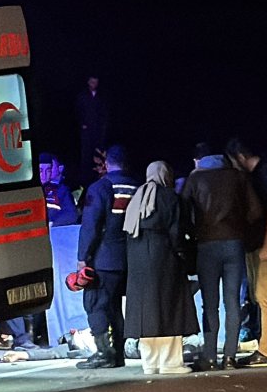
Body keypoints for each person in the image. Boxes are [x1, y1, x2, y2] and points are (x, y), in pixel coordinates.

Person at [182, 143, 262, 370]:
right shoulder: (237, 177)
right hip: (234, 244)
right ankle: (230, 357)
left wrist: (194, 231)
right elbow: (256, 211)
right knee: (233, 301)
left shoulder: (195, 179)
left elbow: (183, 210)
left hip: (206, 245)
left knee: (210, 305)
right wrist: (238, 226)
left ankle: (209, 357)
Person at [122, 161, 198, 374]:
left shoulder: (137, 198)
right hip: (163, 257)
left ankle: (150, 363)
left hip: (137, 260)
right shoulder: (169, 197)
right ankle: (170, 363)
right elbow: (176, 232)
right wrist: (183, 254)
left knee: (145, 311)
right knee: (170, 308)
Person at [75, 145, 138, 369]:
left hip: (104, 258)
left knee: (96, 305)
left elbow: (91, 225)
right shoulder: (137, 187)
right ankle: (118, 354)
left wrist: (83, 256)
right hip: (129, 258)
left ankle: (104, 353)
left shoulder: (100, 187)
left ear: (107, 163)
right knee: (114, 308)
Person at [227, 138, 267, 367]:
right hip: (256, 243)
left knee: (266, 295)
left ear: (240, 157)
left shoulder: (266, 173)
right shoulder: (258, 174)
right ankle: (264, 347)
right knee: (260, 296)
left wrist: (266, 246)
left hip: (265, 245)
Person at [76, 75, 108, 186]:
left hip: (98, 129)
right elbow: (78, 111)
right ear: (89, 82)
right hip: (86, 129)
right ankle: (85, 175)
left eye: (96, 82)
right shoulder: (82, 96)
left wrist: (102, 126)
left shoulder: (101, 96)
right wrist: (82, 124)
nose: (95, 84)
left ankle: (98, 174)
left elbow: (104, 113)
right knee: (86, 153)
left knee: (99, 150)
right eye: (93, 82)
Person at [39, 152, 80, 226]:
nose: (44, 175)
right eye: (41, 171)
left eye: (47, 170)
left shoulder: (61, 190)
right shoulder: (28, 191)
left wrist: (52, 224)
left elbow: (71, 215)